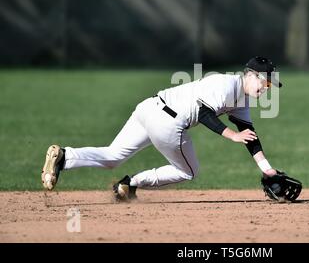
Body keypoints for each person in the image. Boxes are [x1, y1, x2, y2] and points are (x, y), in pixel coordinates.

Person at [41, 56, 282, 201]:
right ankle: (130, 184)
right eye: (265, 81)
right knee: (189, 172)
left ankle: (64, 156)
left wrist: (267, 169)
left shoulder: (242, 99)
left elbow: (249, 136)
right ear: (250, 75)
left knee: (113, 157)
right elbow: (204, 113)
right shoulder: (226, 84)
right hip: (168, 122)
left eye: (270, 84)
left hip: (150, 108)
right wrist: (231, 135)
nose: (267, 87)